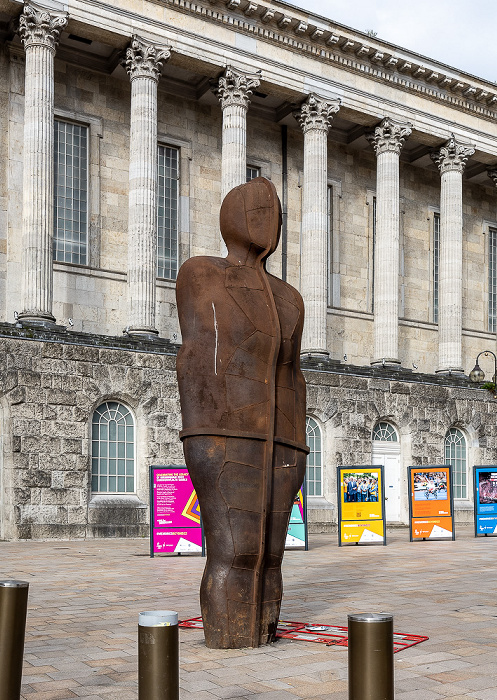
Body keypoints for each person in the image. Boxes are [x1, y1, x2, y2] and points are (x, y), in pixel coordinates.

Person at [176, 177, 308, 649]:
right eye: (255, 209)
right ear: (232, 216)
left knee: (271, 554)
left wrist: (299, 446)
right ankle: (229, 635)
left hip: (283, 441)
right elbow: (196, 355)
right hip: (225, 432)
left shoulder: (291, 298)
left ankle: (263, 630)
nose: (267, 217)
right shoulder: (201, 273)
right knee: (235, 549)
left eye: (273, 211)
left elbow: (294, 374)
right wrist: (200, 435)